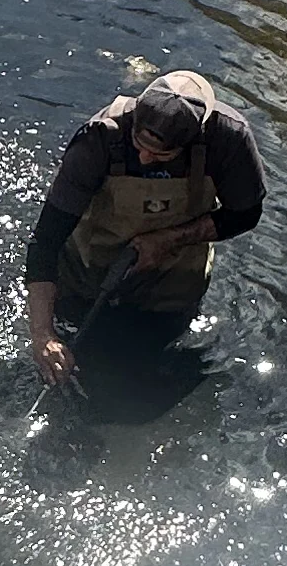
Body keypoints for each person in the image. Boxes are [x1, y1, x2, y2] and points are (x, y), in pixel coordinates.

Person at [24, 70, 264, 392]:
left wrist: (168, 240)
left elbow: (245, 215)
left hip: (172, 284)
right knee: (84, 373)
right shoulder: (98, 140)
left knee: (147, 378)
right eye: (139, 143)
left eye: (161, 154)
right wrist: (42, 334)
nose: (144, 157)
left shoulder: (229, 140)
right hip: (90, 278)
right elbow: (46, 239)